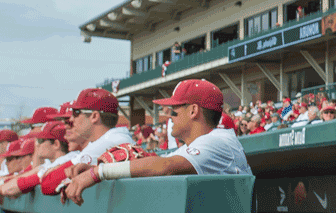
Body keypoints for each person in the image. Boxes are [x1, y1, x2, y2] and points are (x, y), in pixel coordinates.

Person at [64, 79, 252, 206]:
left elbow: (164, 166)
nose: (169, 117)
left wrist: (97, 173)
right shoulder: (199, 144)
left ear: (194, 111)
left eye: (174, 111)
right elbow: (156, 160)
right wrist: (91, 166)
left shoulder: (219, 140)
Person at [41, 88, 132, 195]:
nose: (71, 119)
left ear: (94, 116)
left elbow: (47, 185)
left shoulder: (110, 141)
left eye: (76, 113)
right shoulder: (111, 138)